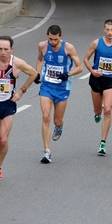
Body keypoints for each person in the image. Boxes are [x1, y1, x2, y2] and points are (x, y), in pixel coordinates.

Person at [0, 35, 37, 179]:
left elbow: (34, 73)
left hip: (7, 104)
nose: (3, 52)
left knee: (3, 140)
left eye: (6, 49)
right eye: (0, 49)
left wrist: (21, 91)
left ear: (12, 49)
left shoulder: (17, 63)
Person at [34, 25, 83, 163]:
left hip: (62, 88)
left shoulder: (69, 48)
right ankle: (47, 152)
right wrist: (37, 73)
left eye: (55, 39)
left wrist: (67, 74)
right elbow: (39, 60)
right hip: (47, 86)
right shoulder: (42, 46)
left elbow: (80, 67)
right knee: (45, 116)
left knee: (57, 120)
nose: (53, 42)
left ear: (60, 36)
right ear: (46, 35)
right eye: (50, 39)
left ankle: (59, 126)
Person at [83, 19, 112, 155]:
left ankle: (103, 142)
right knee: (98, 110)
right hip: (96, 79)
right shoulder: (96, 43)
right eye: (107, 30)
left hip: (110, 80)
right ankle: (97, 113)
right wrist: (92, 71)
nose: (110, 33)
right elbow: (85, 59)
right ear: (104, 30)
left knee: (108, 110)